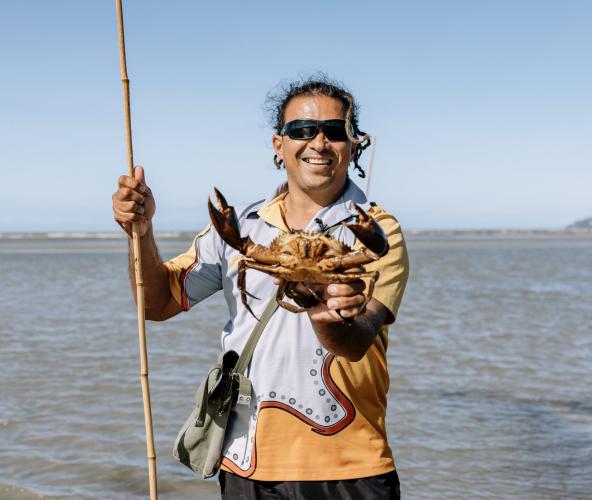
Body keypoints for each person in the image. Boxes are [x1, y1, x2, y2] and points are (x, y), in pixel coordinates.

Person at [112, 76, 409, 499]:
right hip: (246, 461)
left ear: (354, 143)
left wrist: (323, 315)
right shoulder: (245, 228)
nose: (318, 142)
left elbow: (358, 341)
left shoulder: (375, 233)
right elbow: (157, 303)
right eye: (302, 130)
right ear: (278, 144)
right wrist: (140, 232)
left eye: (334, 130)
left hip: (350, 463)